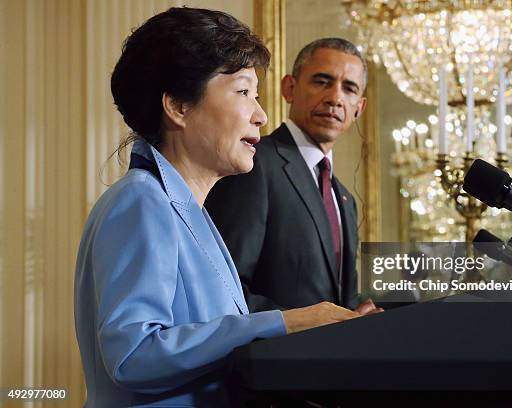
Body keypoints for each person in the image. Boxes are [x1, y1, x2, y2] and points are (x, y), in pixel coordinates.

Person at [73, 9, 360, 407]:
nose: (260, 115)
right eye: (244, 92)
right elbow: (133, 355)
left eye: (256, 96)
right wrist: (286, 322)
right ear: (178, 106)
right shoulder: (142, 199)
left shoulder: (191, 212)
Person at [206, 38, 381, 314]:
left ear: (359, 107)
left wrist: (359, 313)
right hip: (270, 354)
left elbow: (336, 303)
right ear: (289, 88)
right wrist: (300, 324)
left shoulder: (345, 198)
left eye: (349, 88)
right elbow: (222, 286)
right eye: (322, 81)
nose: (335, 98)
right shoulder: (254, 163)